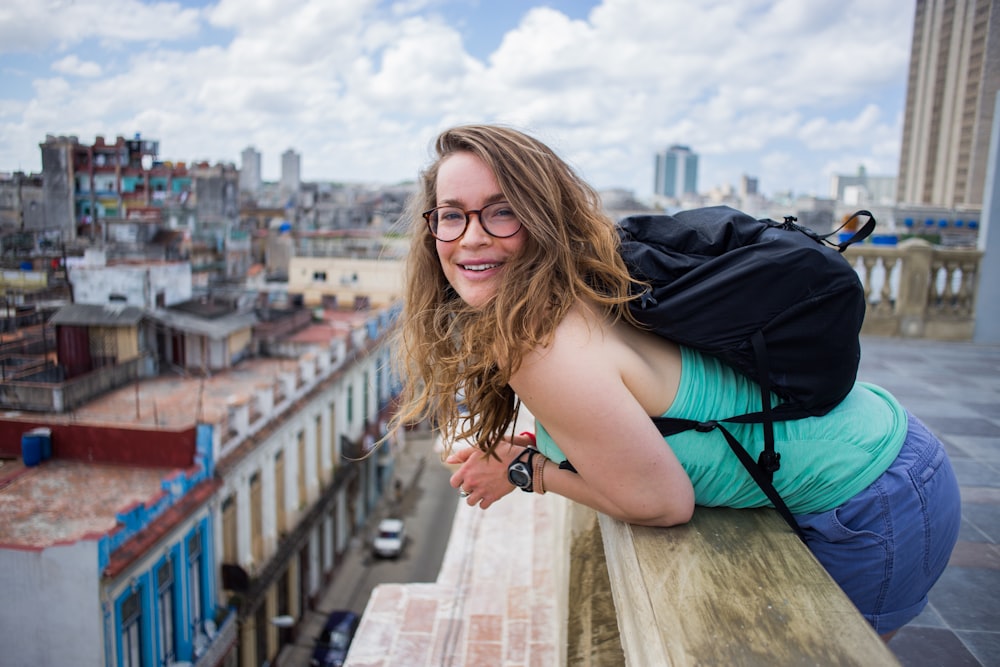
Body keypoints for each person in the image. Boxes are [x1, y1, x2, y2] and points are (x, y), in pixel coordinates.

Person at [389, 123, 961, 639]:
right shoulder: (578, 289)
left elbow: (661, 504)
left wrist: (528, 471)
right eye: (451, 213)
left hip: (872, 498)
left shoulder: (540, 347)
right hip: (887, 450)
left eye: (501, 211)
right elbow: (640, 410)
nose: (470, 237)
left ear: (543, 217)